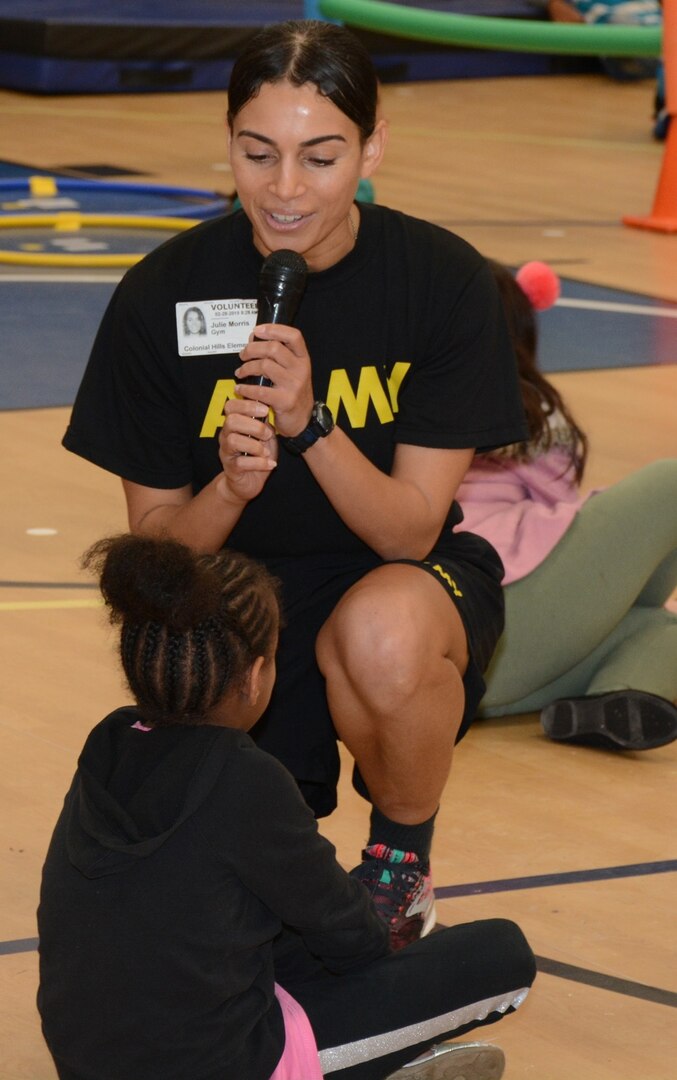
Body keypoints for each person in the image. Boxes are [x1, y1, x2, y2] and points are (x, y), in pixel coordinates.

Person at [62, 19, 528, 949]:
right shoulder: (161, 294)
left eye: (320, 158)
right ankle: (262, 868)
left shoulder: (441, 281)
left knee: (383, 632)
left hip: (394, 576)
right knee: (213, 912)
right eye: (256, 152)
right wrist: (230, 489)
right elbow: (155, 554)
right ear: (227, 141)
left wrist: (308, 424)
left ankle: (398, 874)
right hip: (229, 586)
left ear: (372, 146)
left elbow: (407, 533)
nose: (283, 190)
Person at [36, 533, 536, 1080]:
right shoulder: (244, 776)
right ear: (254, 676)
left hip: (83, 1058)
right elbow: (355, 941)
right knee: (501, 954)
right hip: (224, 1066)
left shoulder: (107, 742)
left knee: (263, 931)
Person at [456, 259, 677, 749]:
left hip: (480, 662)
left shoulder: (409, 395)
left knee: (663, 628)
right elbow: (563, 515)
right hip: (497, 613)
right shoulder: (524, 406)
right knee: (671, 483)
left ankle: (611, 702)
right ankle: (621, 684)